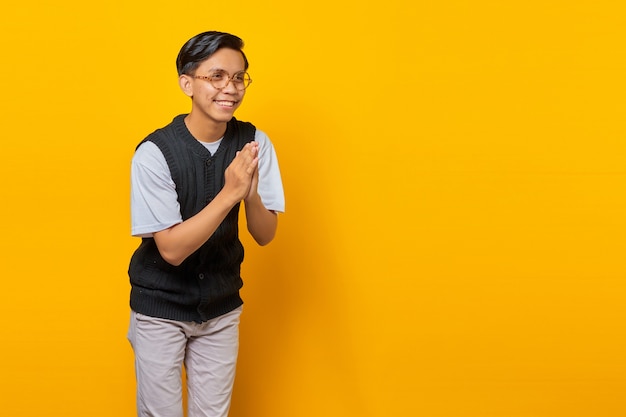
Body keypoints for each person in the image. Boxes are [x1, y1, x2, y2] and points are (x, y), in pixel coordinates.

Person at [127, 31, 285, 417]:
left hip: (221, 307)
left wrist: (250, 194)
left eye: (238, 77)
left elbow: (265, 234)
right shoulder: (154, 153)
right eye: (216, 76)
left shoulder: (254, 143)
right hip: (160, 307)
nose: (229, 88)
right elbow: (171, 250)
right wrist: (230, 192)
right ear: (187, 83)